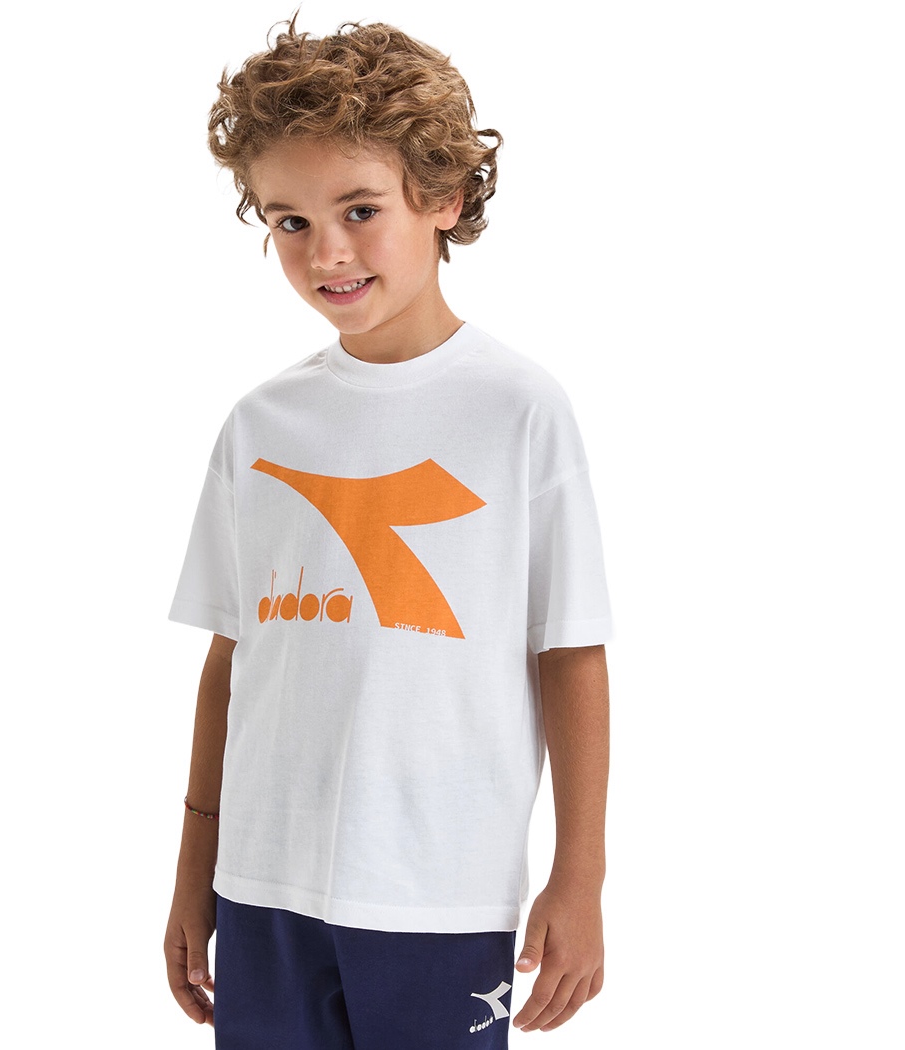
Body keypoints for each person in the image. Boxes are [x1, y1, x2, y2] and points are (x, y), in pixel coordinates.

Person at [163, 18, 612, 1049]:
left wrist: (580, 876)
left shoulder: (519, 410)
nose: (326, 252)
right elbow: (233, 658)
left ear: (443, 196)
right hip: (263, 887)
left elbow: (570, 651)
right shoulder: (260, 425)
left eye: (359, 210)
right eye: (289, 220)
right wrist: (195, 873)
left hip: (439, 893)